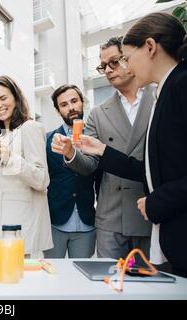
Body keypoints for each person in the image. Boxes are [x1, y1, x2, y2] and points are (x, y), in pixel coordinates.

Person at [74, 13, 187, 277]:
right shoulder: (167, 89)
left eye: (124, 58)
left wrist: (157, 201)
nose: (125, 66)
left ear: (149, 47)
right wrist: (96, 150)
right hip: (133, 219)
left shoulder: (178, 87)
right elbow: (148, 168)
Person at [52, 37, 154, 261]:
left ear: (128, 58)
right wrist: (70, 153)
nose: (108, 70)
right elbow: (89, 166)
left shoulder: (157, 98)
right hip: (111, 218)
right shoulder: (98, 114)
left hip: (150, 212)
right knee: (109, 288)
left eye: (114, 62)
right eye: (103, 66)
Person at [0, 76, 52, 258]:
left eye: (3, 98)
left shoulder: (30, 128)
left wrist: (10, 158)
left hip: (24, 231)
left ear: (15, 98)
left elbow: (42, 180)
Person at [44, 85, 96, 258]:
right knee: (51, 277)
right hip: (55, 222)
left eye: (74, 101)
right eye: (64, 104)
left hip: (86, 221)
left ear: (82, 102)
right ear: (58, 111)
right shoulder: (48, 139)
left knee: (82, 279)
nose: (71, 107)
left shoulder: (95, 136)